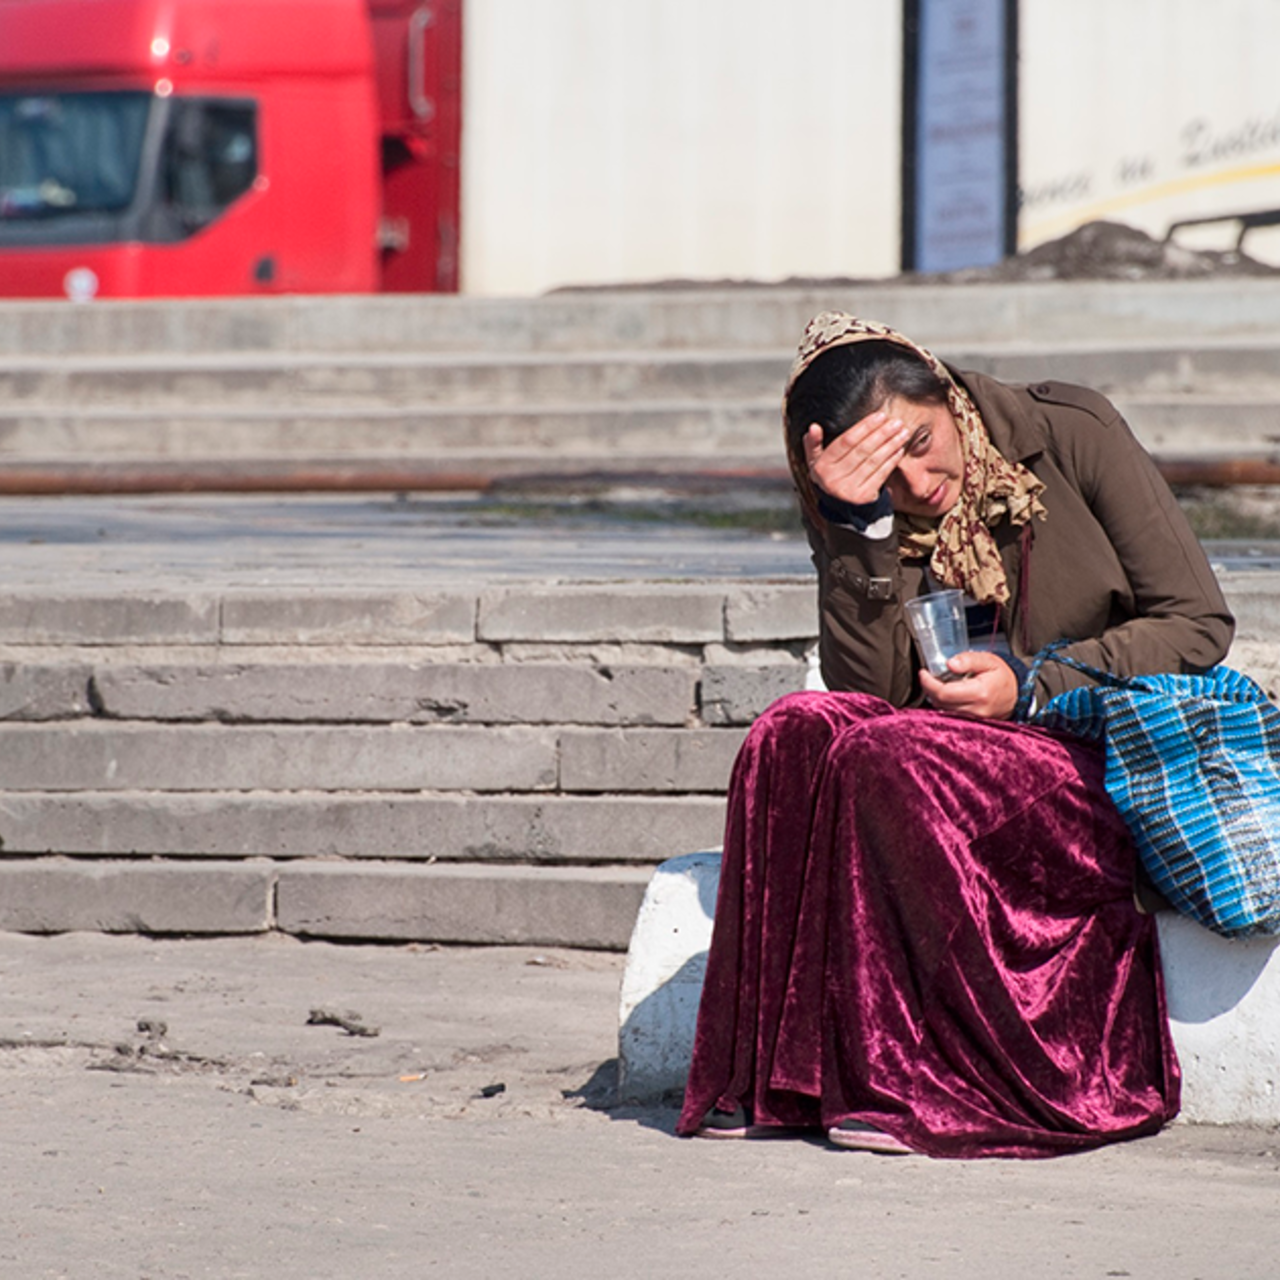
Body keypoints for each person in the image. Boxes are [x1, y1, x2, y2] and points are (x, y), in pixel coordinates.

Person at [676, 312, 1234, 1158]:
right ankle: (777, 1080)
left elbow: (1197, 624)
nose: (916, 478)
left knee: (888, 751)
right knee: (793, 729)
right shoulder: (858, 501)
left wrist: (1036, 682)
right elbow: (869, 692)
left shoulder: (1069, 431)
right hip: (939, 757)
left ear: (945, 393)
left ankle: (921, 1084)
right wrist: (857, 532)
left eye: (923, 442)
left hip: (1092, 745)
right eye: (883, 468)